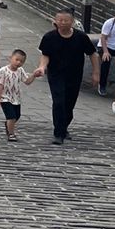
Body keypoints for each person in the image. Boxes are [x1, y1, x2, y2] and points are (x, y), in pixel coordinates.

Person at [33, 9, 100, 144]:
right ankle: (58, 133)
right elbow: (45, 55)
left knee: (69, 104)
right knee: (58, 102)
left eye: (66, 20)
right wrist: (42, 67)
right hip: (56, 74)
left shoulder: (81, 37)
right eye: (60, 20)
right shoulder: (49, 37)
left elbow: (93, 54)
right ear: (55, 21)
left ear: (73, 22)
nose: (63, 23)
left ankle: (63, 127)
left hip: (74, 75)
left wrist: (96, 73)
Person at [0, 49, 37, 142]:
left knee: (17, 116)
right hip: (5, 97)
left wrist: (34, 75)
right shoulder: (3, 70)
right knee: (11, 116)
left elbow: (27, 81)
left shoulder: (20, 70)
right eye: (16, 59)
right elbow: (0, 85)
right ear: (11, 58)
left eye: (21, 61)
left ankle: (8, 124)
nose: (18, 63)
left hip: (16, 98)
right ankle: (11, 134)